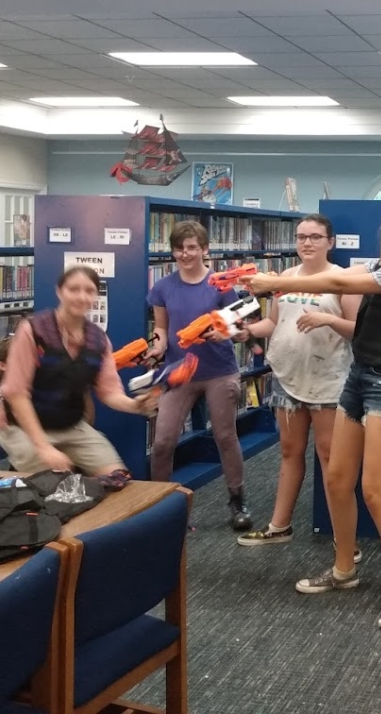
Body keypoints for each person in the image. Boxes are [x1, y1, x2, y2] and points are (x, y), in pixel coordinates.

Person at [244, 191, 381, 630]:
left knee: (374, 489)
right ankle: (343, 569)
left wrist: (276, 284)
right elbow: (336, 276)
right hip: (360, 375)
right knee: (336, 478)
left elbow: (337, 283)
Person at [237, 213, 359, 549]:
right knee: (290, 452)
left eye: (315, 237)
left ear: (330, 242)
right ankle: (280, 525)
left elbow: (357, 331)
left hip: (329, 380)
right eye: (301, 236)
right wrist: (246, 331)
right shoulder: (288, 278)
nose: (307, 242)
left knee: (329, 455)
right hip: (287, 377)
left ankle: (344, 540)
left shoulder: (343, 279)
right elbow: (273, 323)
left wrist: (326, 319)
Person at [146, 221, 253, 531]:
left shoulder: (219, 285)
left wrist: (226, 332)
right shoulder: (163, 287)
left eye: (192, 247)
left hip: (219, 370)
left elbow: (236, 325)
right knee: (164, 441)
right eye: (179, 248)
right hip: (180, 371)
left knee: (224, 435)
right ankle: (160, 505)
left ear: (204, 250)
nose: (185, 253)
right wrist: (157, 348)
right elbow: (161, 329)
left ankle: (237, 500)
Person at [0, 265, 154, 477]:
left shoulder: (98, 340)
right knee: (55, 485)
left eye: (89, 291)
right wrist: (43, 447)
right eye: (73, 289)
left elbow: (109, 392)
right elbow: (16, 393)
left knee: (117, 478)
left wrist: (136, 405)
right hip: (26, 428)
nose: (81, 297)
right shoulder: (33, 330)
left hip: (71, 426)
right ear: (59, 291)